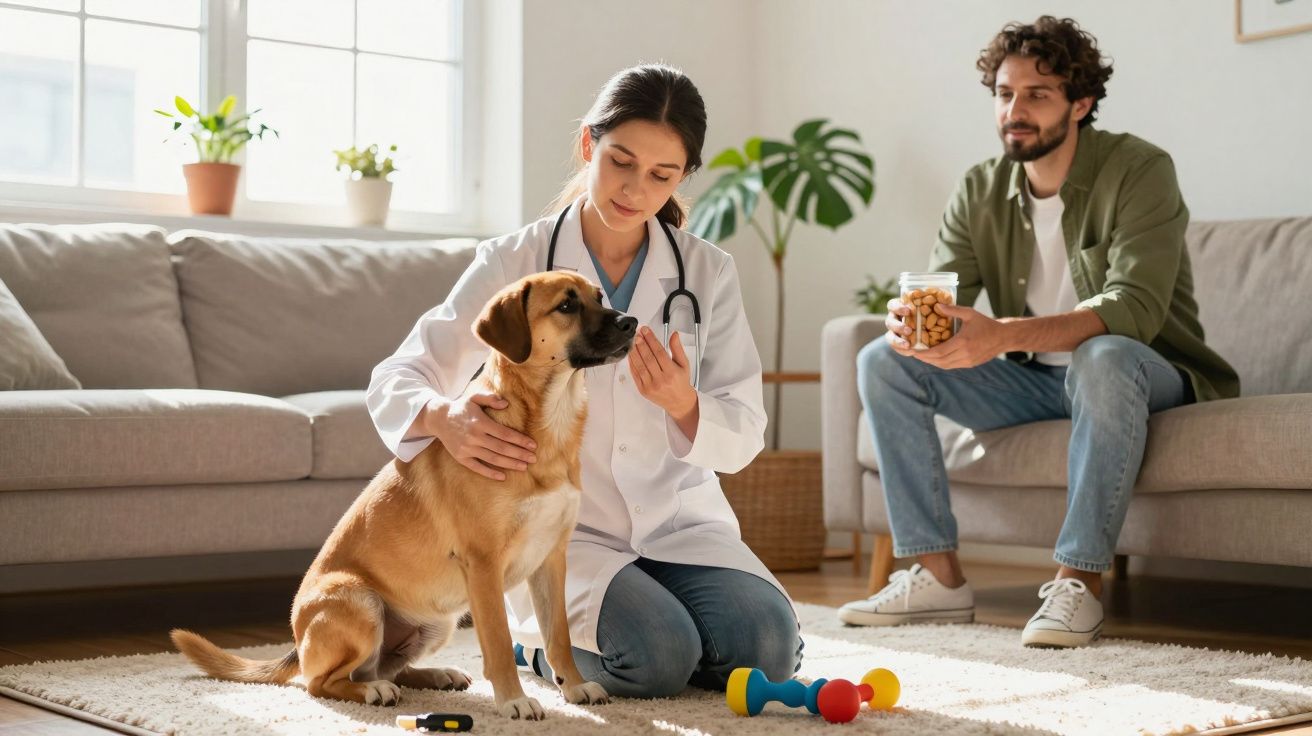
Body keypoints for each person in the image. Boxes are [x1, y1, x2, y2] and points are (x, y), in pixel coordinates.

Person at [366, 64, 801, 697]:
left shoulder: (706, 271)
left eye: (662, 175)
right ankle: (539, 645)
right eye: (620, 161)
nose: (635, 189)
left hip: (682, 522)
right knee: (655, 658)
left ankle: (669, 629)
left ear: (684, 177)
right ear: (588, 145)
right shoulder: (516, 262)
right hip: (558, 536)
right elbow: (399, 375)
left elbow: (745, 428)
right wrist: (442, 417)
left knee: (768, 648)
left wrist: (684, 404)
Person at [838, 16, 1238, 648]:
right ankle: (939, 579)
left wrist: (999, 334)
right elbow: (945, 296)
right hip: (1030, 383)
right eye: (1004, 94)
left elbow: (1134, 308)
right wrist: (914, 325)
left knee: (1102, 355)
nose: (1014, 111)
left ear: (1081, 103)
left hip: (1140, 372)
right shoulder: (979, 189)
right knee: (882, 361)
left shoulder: (1139, 170)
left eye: (1037, 95)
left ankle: (1079, 581)